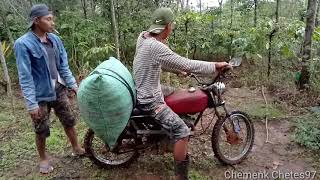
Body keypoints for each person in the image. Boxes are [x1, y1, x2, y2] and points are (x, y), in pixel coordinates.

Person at [133, 7, 231, 180]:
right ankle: (181, 176)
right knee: (182, 131)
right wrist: (215, 65)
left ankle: (165, 135)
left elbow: (161, 62)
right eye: (172, 25)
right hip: (149, 98)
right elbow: (185, 63)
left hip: (146, 87)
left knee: (176, 93)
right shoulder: (155, 46)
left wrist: (177, 71)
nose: (172, 28)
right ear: (167, 26)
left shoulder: (143, 37)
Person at [14, 4, 85, 174]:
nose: (52, 22)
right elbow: (25, 76)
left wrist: (73, 85)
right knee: (41, 128)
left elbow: (63, 66)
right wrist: (31, 103)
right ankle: (43, 159)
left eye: (52, 18)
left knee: (69, 120)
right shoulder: (22, 44)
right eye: (48, 19)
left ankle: (76, 147)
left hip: (59, 89)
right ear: (37, 21)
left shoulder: (55, 40)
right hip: (40, 95)